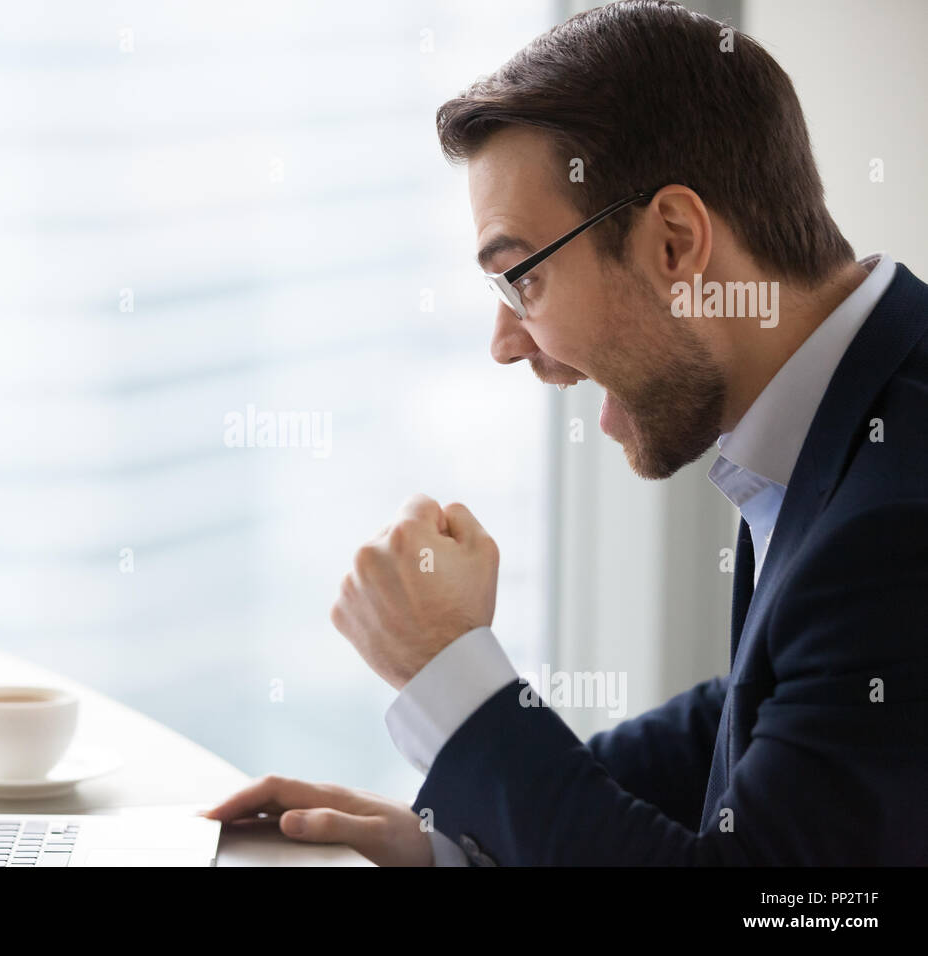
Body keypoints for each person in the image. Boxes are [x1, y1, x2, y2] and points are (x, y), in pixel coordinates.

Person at [201, 0, 928, 865]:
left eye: (522, 280)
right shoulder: (852, 409)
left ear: (674, 242)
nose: (508, 345)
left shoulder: (897, 516)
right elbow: (763, 725)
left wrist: (451, 676)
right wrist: (459, 832)